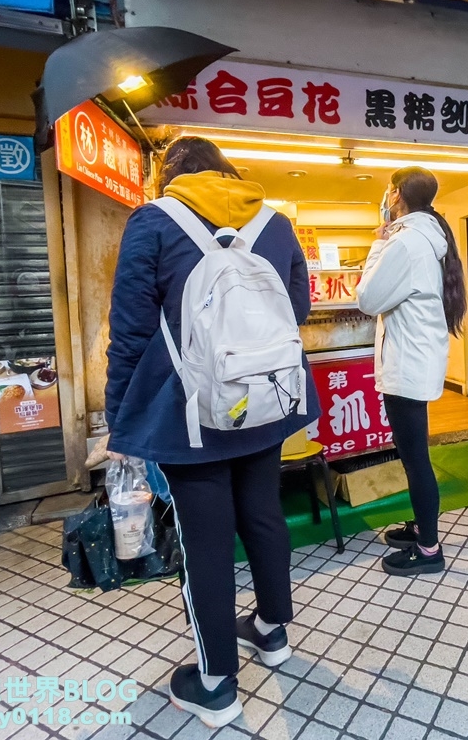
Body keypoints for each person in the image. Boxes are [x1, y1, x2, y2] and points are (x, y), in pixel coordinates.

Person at [105, 137, 320, 727]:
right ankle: (271, 631)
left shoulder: (152, 221)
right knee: (263, 512)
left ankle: (215, 684)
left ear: (168, 175)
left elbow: (130, 331)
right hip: (267, 402)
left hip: (190, 415)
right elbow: (296, 310)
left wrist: (120, 421)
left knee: (205, 540)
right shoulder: (274, 223)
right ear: (226, 171)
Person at [356, 167, 467, 577]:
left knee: (415, 459)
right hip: (417, 358)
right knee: (413, 455)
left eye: (388, 190)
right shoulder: (428, 237)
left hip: (407, 364)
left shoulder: (405, 243)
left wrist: (378, 243)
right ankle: (422, 528)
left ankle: (429, 550)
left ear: (397, 194)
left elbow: (367, 299)